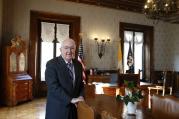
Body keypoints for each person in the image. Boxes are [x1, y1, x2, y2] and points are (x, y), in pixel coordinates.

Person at [45, 38, 84, 119]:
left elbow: (81, 84)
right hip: (58, 110)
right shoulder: (52, 64)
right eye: (66, 48)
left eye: (72, 48)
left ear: (75, 49)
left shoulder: (78, 65)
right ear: (60, 49)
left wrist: (81, 96)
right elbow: (53, 87)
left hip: (74, 109)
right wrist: (70, 99)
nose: (69, 51)